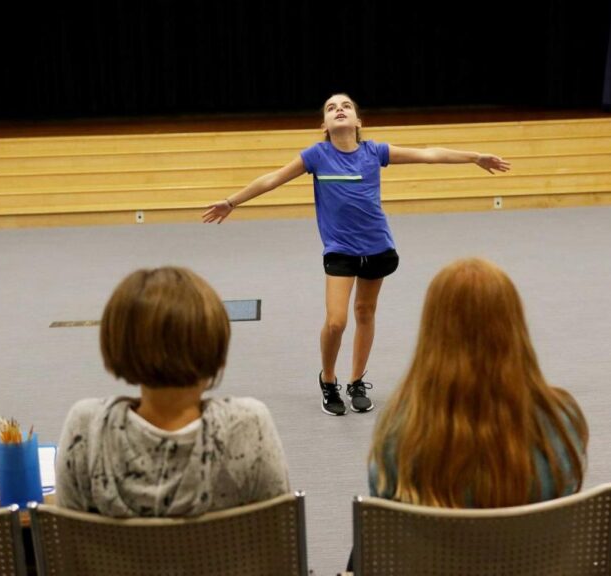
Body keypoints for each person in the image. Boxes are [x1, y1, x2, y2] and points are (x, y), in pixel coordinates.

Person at [203, 94, 511, 417]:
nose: (339, 109)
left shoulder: (374, 151)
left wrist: (475, 156)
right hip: (340, 250)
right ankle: (329, 379)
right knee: (336, 321)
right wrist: (232, 201)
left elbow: (428, 154)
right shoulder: (316, 156)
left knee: (365, 312)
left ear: (358, 122)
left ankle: (356, 381)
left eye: (346, 106)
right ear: (324, 125)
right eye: (331, 108)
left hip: (376, 246)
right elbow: (272, 179)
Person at [55, 266, 290, 517]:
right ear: (217, 344)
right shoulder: (248, 426)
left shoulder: (86, 429)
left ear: (118, 343)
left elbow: (66, 548)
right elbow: (282, 540)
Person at [369, 258, 588, 508]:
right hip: (528, 547)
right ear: (514, 326)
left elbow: (383, 517)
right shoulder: (560, 420)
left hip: (435, 547)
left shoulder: (398, 432)